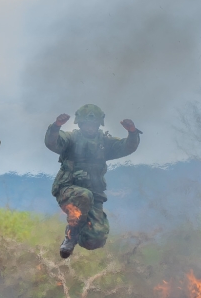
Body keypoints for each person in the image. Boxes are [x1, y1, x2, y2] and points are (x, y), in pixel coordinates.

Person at [44, 105, 141, 258]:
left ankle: (82, 234)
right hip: (68, 190)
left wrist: (132, 132)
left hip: (94, 194)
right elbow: (52, 142)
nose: (90, 128)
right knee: (84, 195)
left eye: (93, 125)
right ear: (80, 124)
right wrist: (56, 126)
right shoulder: (70, 139)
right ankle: (71, 236)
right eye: (86, 124)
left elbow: (126, 147)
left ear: (98, 125)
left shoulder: (105, 143)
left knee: (96, 239)